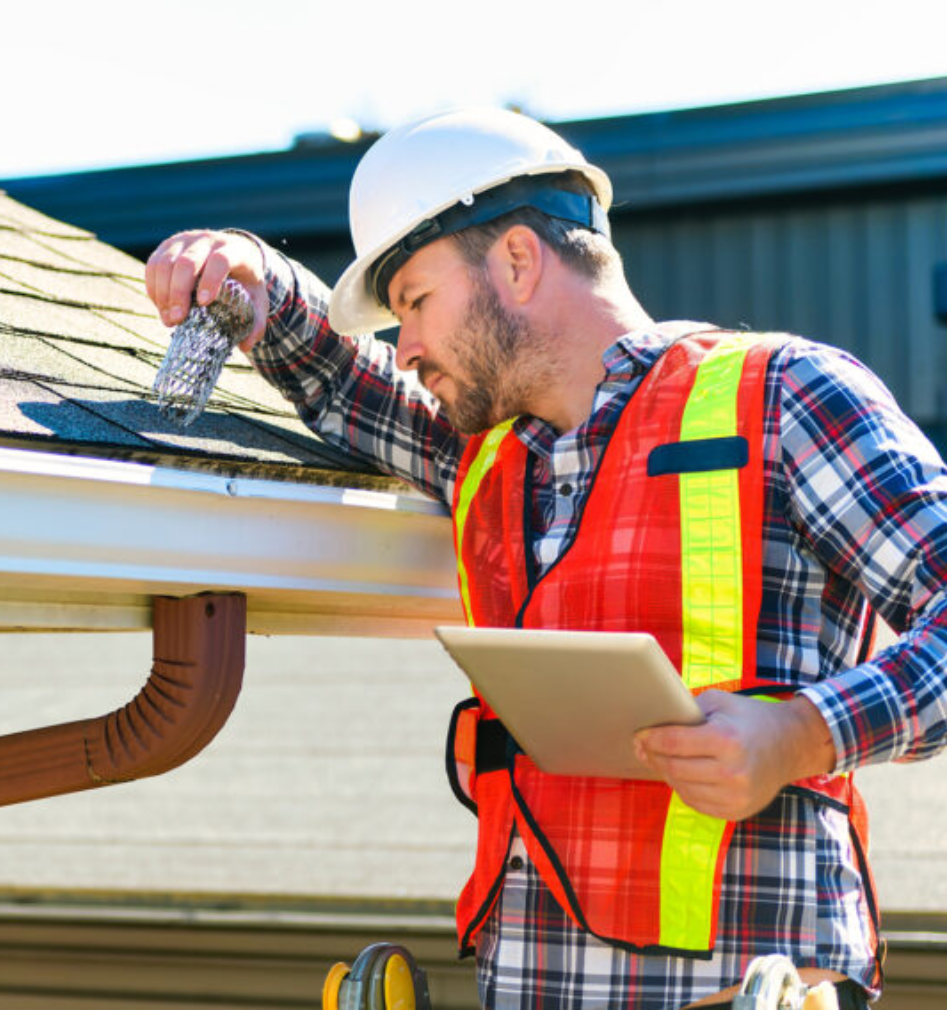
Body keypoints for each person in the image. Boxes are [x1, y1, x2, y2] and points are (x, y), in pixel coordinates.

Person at [144, 108, 947, 1010]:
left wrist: (798, 733)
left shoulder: (786, 396)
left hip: (748, 980)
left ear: (519, 262)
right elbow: (341, 375)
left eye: (415, 302)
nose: (406, 348)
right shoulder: (486, 456)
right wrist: (251, 276)